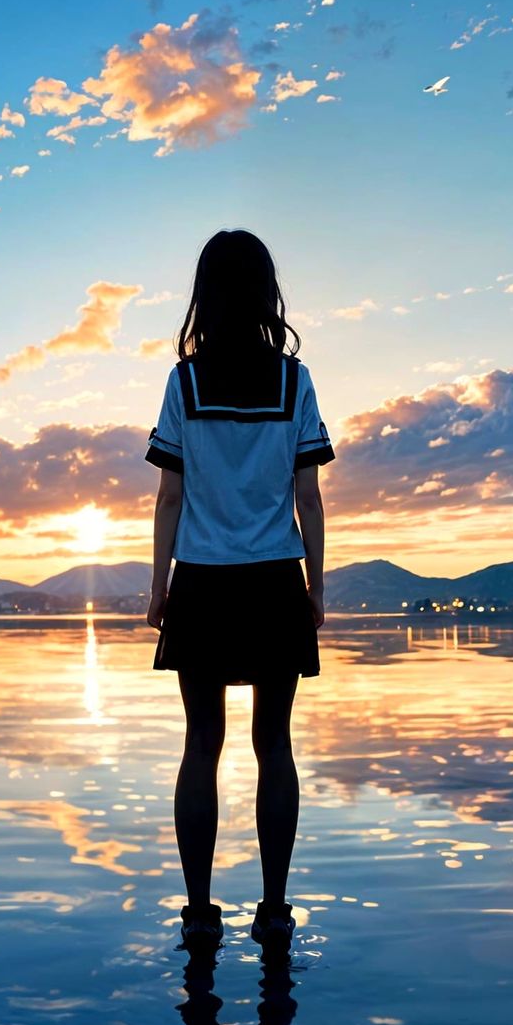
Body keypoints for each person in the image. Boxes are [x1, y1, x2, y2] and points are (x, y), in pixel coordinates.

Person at [144, 228, 333, 956]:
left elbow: (169, 497)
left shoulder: (184, 382)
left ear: (204, 292)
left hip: (203, 581)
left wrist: (156, 588)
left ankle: (198, 911)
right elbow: (308, 497)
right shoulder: (295, 381)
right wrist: (318, 586)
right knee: (273, 744)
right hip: (273, 579)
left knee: (202, 744)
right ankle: (275, 910)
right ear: (265, 291)